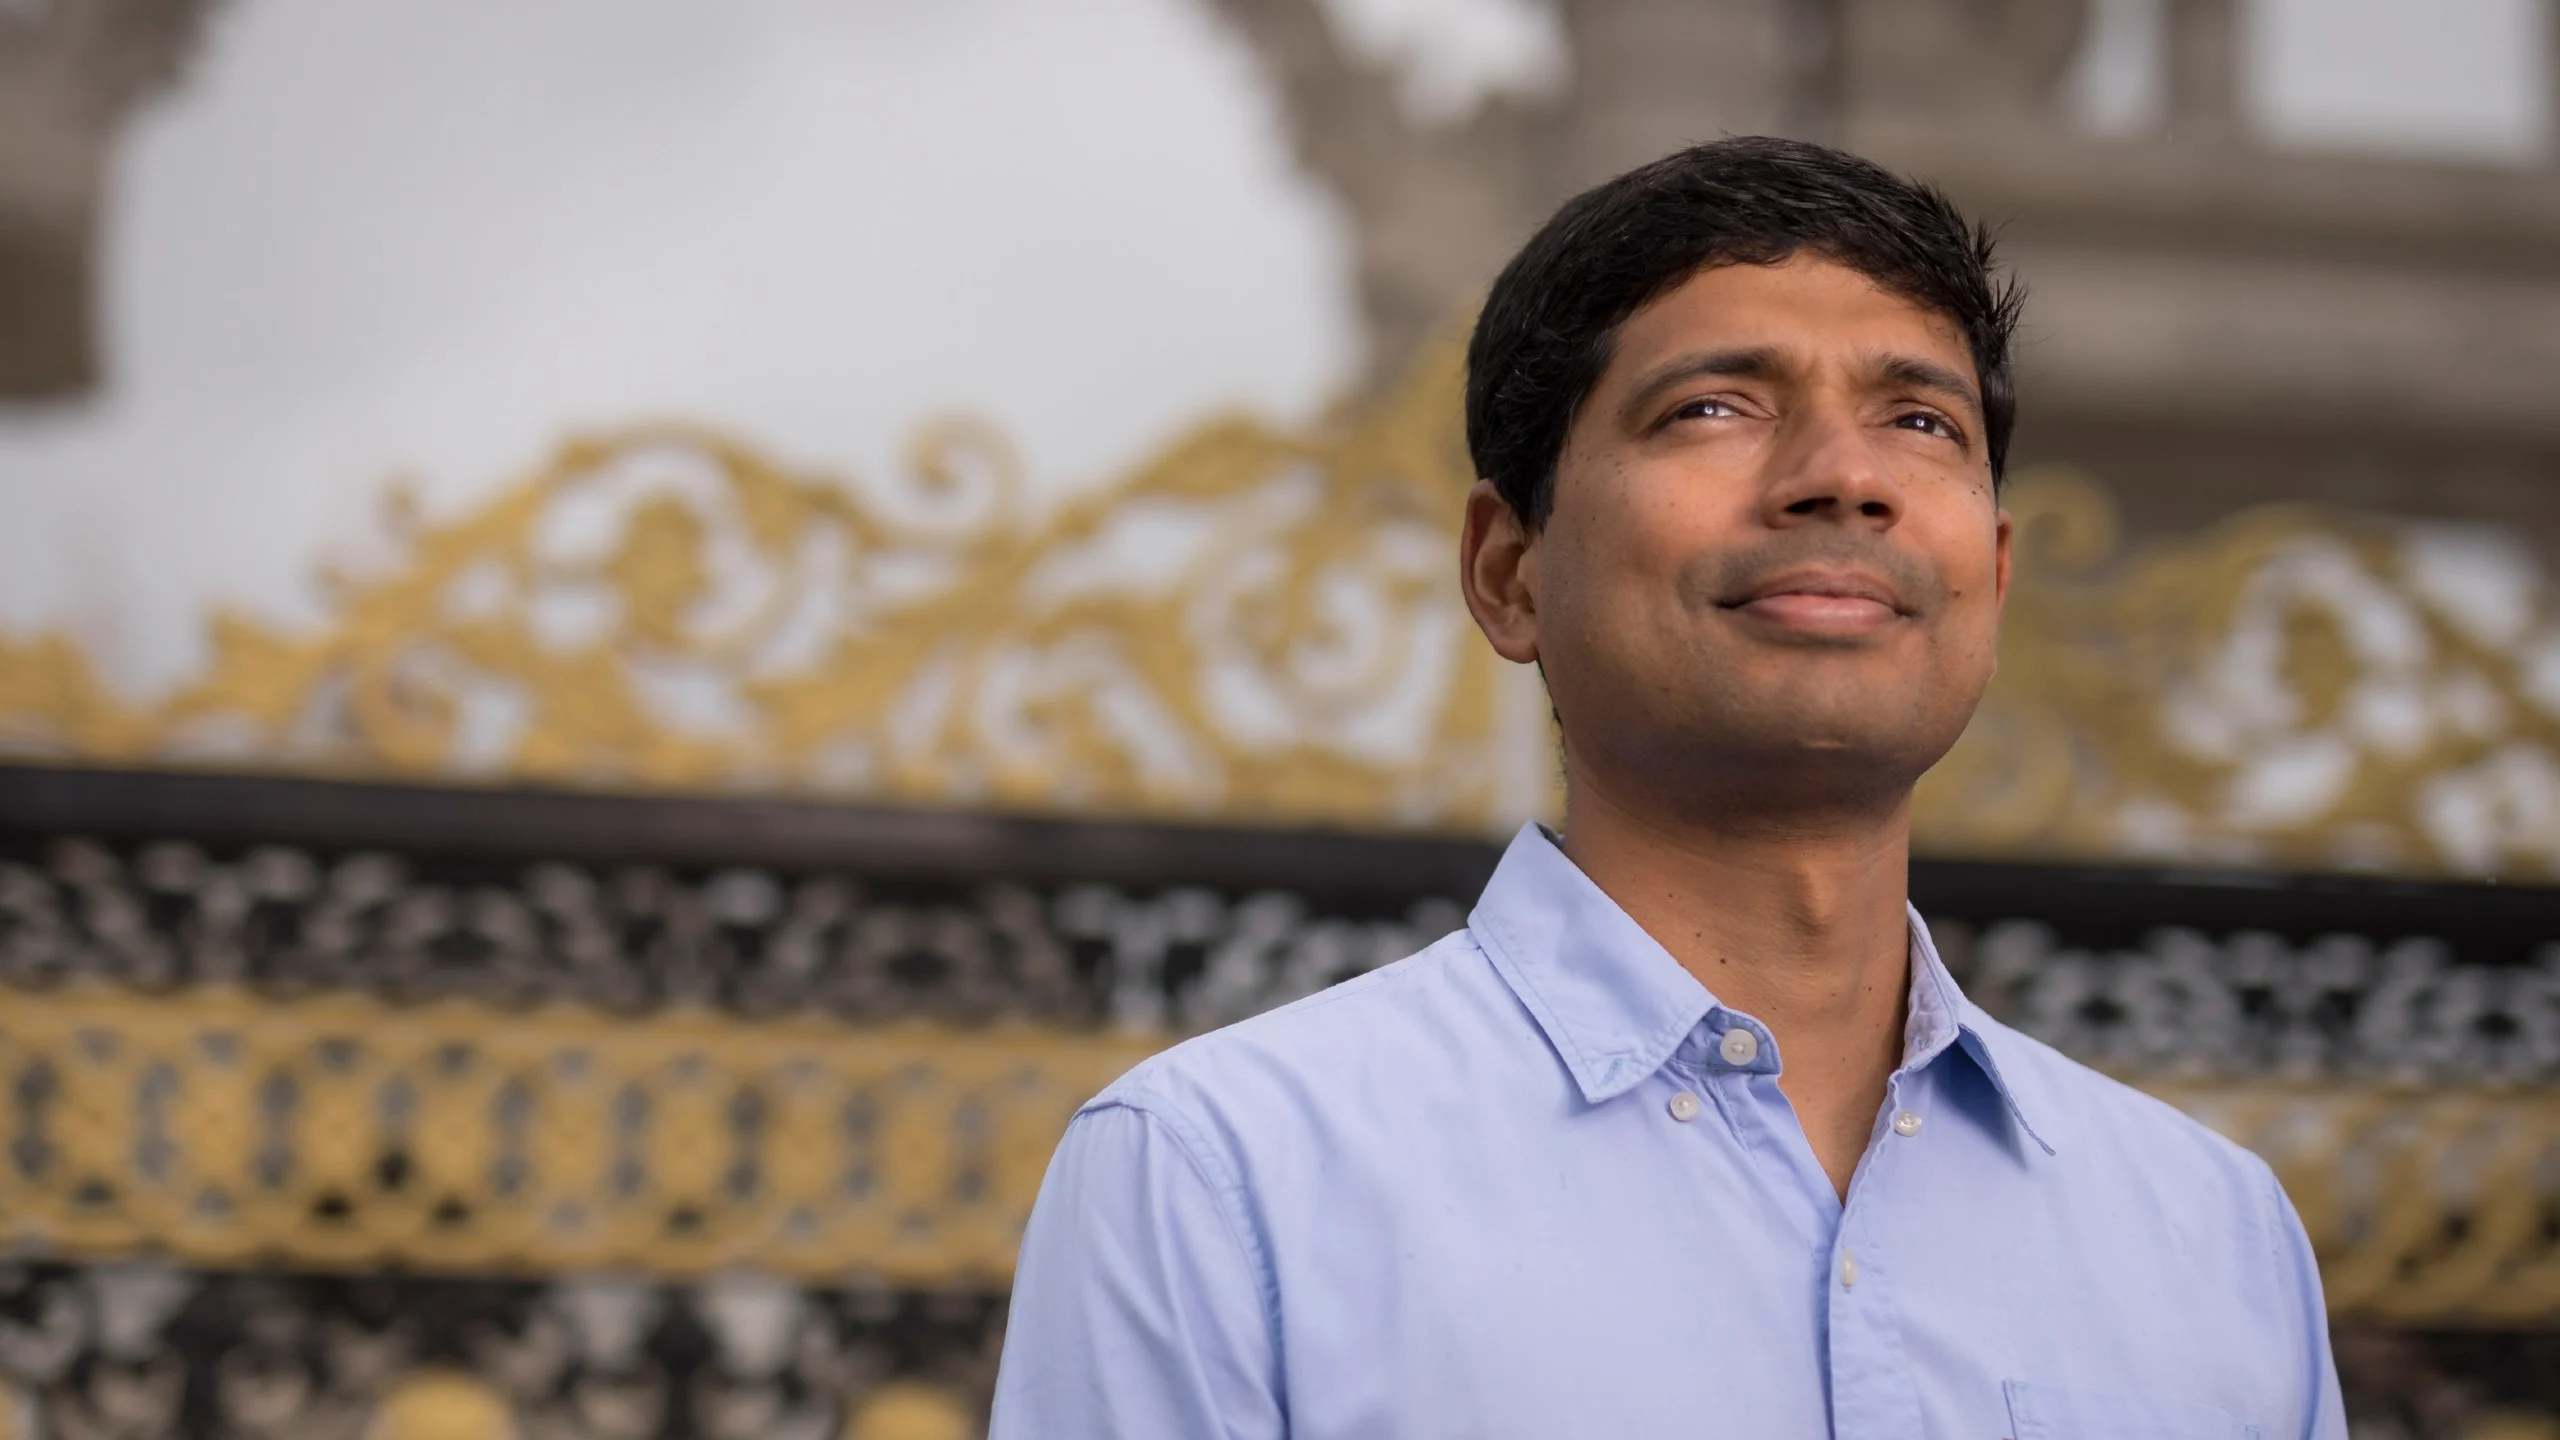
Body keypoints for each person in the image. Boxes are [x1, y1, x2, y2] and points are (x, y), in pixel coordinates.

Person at [989, 137, 2347, 1439]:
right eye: (1715, 406)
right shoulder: (1227, 1181)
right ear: (1508, 572)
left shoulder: (2213, 1238)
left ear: (1993, 576)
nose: (1844, 480)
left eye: (1918, 418)